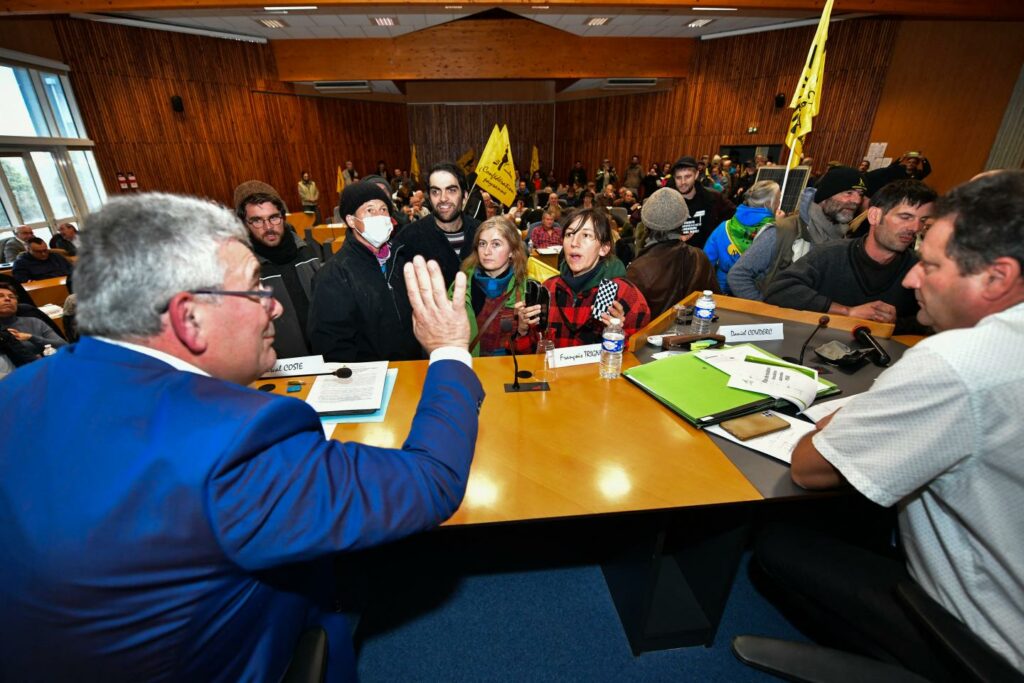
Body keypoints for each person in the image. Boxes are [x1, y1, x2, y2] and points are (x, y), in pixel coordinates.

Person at [0, 191, 483, 681]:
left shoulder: (15, 392)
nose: (274, 308)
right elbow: (431, 480)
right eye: (255, 289)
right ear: (189, 319)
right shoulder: (235, 443)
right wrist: (447, 350)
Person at [754, 171, 1024, 679]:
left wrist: (851, 412)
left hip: (988, 641)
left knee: (776, 546)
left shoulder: (957, 363)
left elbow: (811, 468)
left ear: (998, 277)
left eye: (932, 265)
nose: (910, 280)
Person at [765, 180, 935, 331]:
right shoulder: (830, 254)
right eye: (905, 217)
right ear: (874, 215)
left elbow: (938, 321)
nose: (915, 228)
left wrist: (893, 324)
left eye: (923, 221)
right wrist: (847, 312)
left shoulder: (921, 269)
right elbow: (778, 290)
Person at [308, 182, 423, 362]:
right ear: (351, 220)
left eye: (384, 209)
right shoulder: (334, 274)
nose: (380, 216)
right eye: (370, 210)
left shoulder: (401, 258)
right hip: (372, 377)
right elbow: (332, 344)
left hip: (412, 369)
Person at [516, 208, 650, 349]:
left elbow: (639, 359)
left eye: (586, 235)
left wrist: (618, 335)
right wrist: (523, 330)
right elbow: (529, 355)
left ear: (603, 248)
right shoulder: (548, 289)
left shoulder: (626, 295)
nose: (574, 242)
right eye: (569, 234)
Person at [728, 166, 866, 301]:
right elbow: (739, 275)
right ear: (825, 196)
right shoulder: (783, 231)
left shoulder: (844, 239)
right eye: (848, 193)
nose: (857, 201)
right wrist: (765, 311)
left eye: (860, 194)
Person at [235, 181, 321, 357]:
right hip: (278, 368)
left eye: (273, 217)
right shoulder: (241, 270)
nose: (268, 228)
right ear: (245, 225)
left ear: (283, 217)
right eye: (257, 220)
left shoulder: (307, 252)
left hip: (324, 357)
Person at [627, 188, 718, 317]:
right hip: (695, 334)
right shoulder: (700, 257)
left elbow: (630, 320)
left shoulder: (637, 269)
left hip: (652, 336)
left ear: (645, 224)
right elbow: (715, 303)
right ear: (683, 222)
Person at [394, 162, 481, 286]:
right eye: (435, 192)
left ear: (465, 196)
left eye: (451, 190)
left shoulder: (481, 232)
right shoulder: (409, 238)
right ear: (429, 197)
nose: (443, 198)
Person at [455, 216, 530, 356]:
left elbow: (534, 353)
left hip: (507, 369)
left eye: (496, 244)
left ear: (512, 251)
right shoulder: (461, 284)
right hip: (469, 368)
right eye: (482, 244)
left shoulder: (526, 289)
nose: (487, 251)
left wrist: (523, 331)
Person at [703, 180, 781, 295]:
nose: (779, 202)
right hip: (756, 294)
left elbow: (706, 262)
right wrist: (781, 224)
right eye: (778, 199)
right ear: (771, 203)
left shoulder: (724, 227)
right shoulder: (773, 232)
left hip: (723, 292)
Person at [0, 280, 67, 377]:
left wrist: (31, 337)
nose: (7, 299)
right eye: (1, 296)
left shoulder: (34, 322)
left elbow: (63, 344)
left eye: (12, 297)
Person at [669, 155, 735, 249]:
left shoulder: (713, 197)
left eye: (687, 176)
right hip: (677, 255)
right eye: (678, 178)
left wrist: (718, 237)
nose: (683, 182)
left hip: (706, 256)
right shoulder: (669, 201)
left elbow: (733, 215)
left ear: (696, 175)